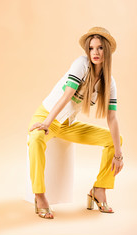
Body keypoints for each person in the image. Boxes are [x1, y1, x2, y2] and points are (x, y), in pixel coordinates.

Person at [27, 26, 123, 219]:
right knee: (36, 139)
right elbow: (67, 95)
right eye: (91, 48)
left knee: (115, 139)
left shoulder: (109, 81)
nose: (95, 52)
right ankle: (39, 194)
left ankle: (99, 189)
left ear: (107, 50)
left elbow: (112, 118)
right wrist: (46, 122)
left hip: (68, 125)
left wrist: (119, 155)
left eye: (100, 48)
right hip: (48, 115)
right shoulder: (81, 64)